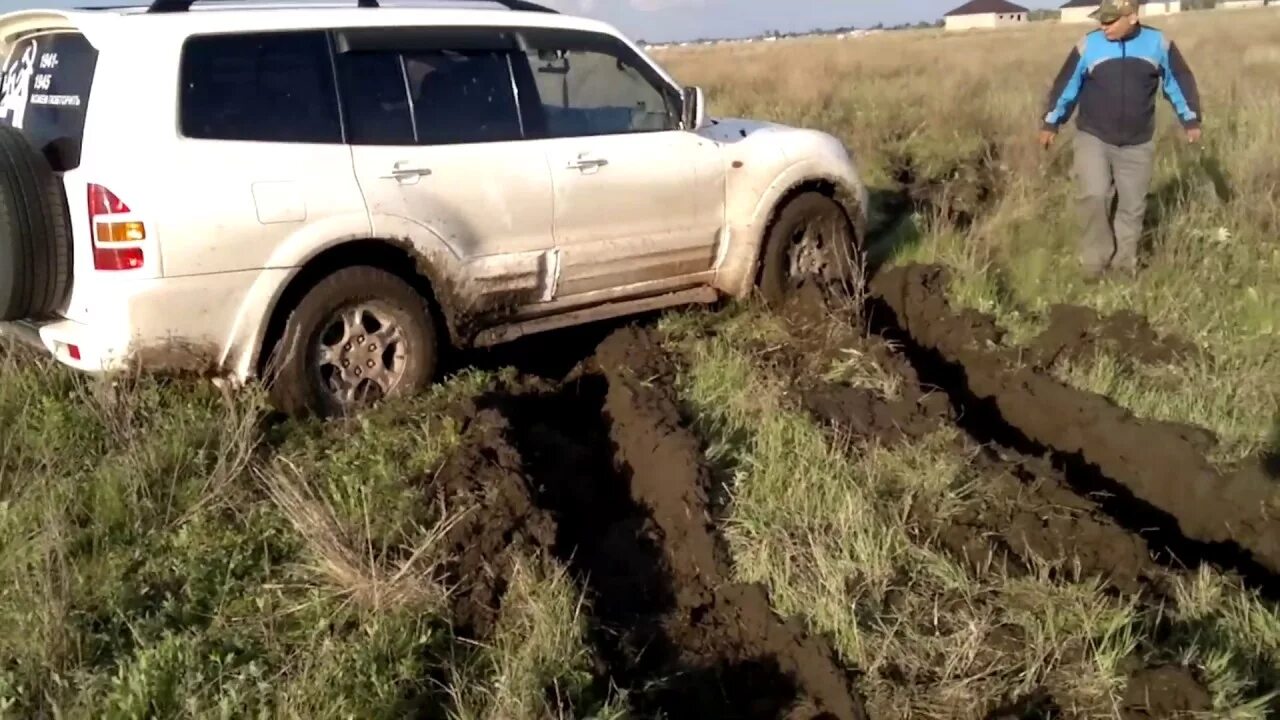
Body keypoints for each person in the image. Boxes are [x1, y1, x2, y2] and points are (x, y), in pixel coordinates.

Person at [1039, 0, 1202, 280]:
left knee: (1132, 206)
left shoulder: (1158, 44)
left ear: (1133, 17)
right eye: (1101, 20)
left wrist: (1190, 119)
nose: (1104, 26)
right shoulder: (1089, 45)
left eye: (1111, 21)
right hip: (1094, 136)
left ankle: (1123, 267)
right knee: (1094, 194)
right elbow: (1067, 84)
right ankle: (1094, 262)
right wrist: (1051, 122)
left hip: (1138, 141)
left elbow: (1178, 80)